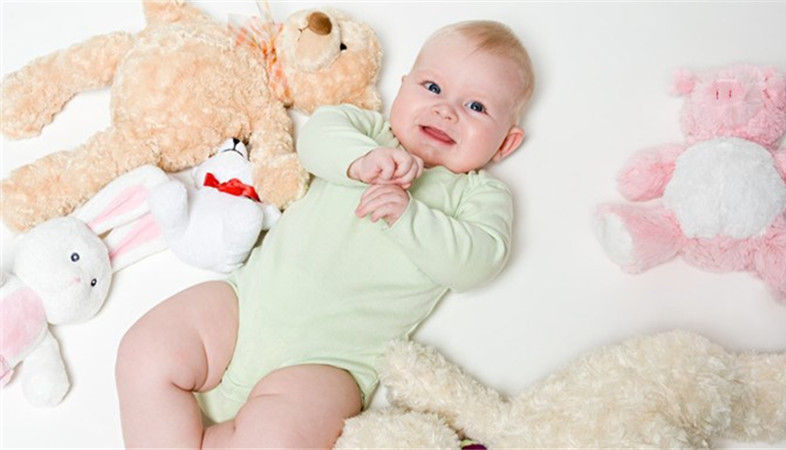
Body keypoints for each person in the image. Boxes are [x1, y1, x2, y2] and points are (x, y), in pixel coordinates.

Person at [115, 19, 535, 449]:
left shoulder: (478, 194)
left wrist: (409, 216)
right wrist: (361, 161)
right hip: (245, 306)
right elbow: (316, 139)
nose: (446, 110)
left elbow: (477, 263)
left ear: (506, 143)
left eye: (476, 107)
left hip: (329, 365)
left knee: (276, 440)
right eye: (432, 87)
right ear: (404, 87)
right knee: (145, 351)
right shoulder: (370, 132)